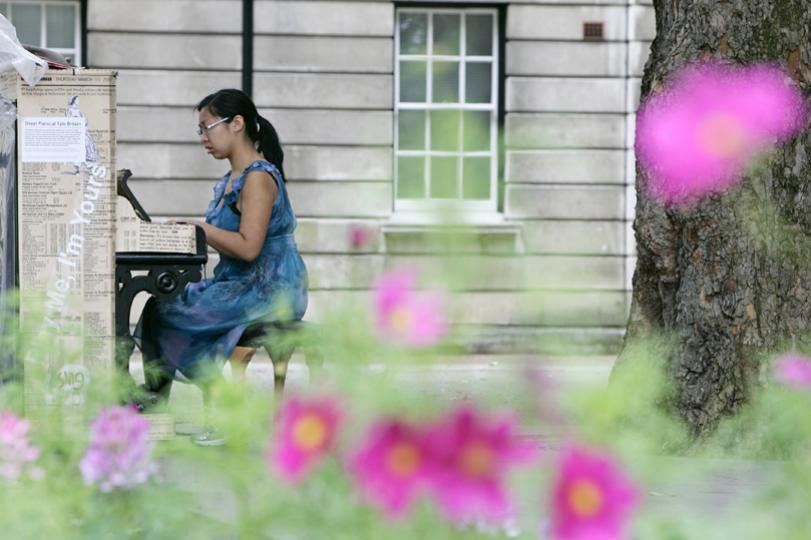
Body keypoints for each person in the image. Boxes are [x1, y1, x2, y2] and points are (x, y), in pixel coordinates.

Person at [136, 89, 308, 440]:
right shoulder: (231, 180)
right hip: (240, 281)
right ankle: (161, 403)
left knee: (177, 314)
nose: (203, 138)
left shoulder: (259, 177)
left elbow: (248, 248)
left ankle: (220, 411)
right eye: (199, 129)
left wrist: (201, 228)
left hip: (270, 286)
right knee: (159, 306)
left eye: (207, 127)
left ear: (237, 124)